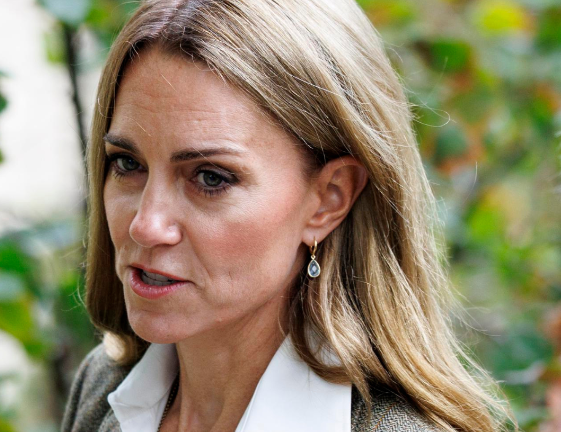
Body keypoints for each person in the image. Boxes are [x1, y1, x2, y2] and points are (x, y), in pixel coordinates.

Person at [61, 0, 515, 431]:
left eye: (211, 178)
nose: (145, 225)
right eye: (128, 164)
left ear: (329, 200)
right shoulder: (105, 386)